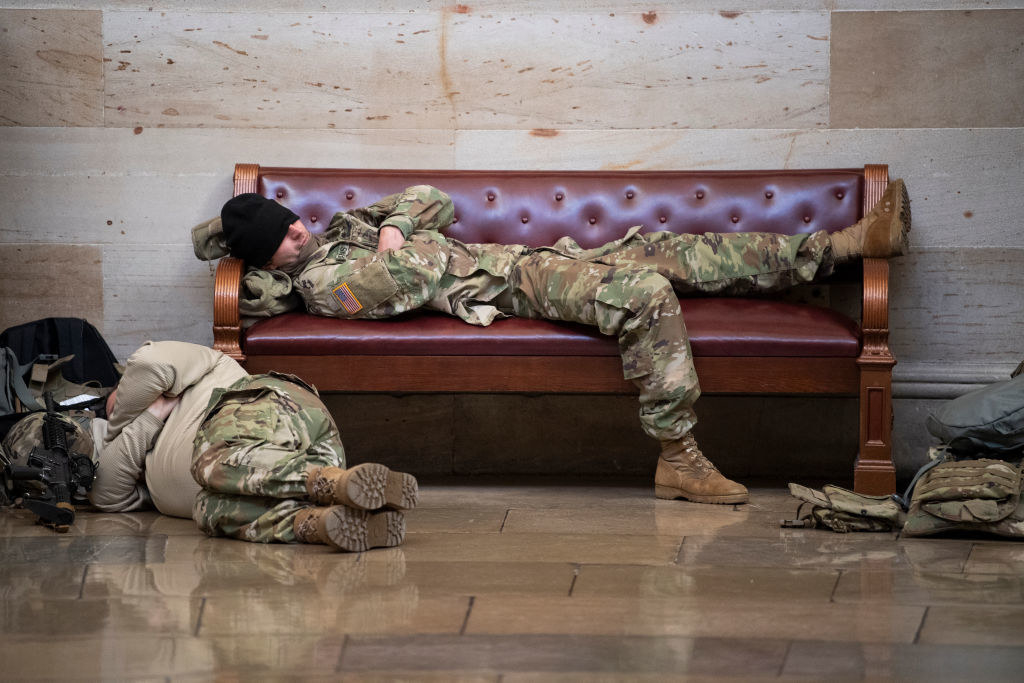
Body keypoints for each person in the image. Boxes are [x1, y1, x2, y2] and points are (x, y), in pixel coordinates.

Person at [205, 179, 911, 506]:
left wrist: (390, 227)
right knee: (645, 294)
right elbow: (414, 276)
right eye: (286, 236)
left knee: (682, 252)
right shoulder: (328, 282)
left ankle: (843, 247)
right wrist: (398, 239)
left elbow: (432, 200)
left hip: (526, 258)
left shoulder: (342, 239)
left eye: (295, 221)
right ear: (269, 259)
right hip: (513, 287)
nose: (302, 230)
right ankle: (678, 455)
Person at [87, 340, 418, 551]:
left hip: (268, 411)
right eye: (108, 412)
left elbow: (150, 364)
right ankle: (320, 522)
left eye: (115, 396)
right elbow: (105, 493)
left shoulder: (204, 365)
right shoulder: (140, 434)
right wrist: (148, 418)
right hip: (260, 471)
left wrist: (122, 418)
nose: (114, 408)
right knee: (208, 511)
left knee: (211, 461)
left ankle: (328, 482)